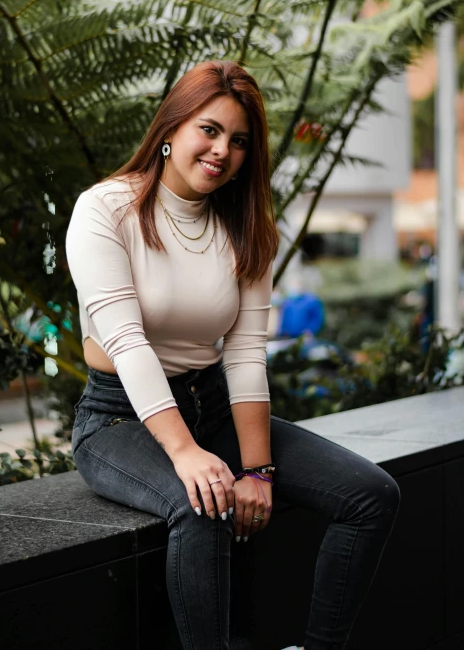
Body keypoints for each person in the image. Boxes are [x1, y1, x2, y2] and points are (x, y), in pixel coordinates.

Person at [65, 60, 400, 650]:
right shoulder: (104, 210)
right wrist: (185, 452)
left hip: (212, 405)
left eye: (239, 141)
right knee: (199, 507)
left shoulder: (245, 226)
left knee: (370, 496)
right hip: (119, 419)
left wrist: (258, 469)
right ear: (171, 128)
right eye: (210, 129)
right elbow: (126, 340)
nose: (223, 150)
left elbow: (245, 355)